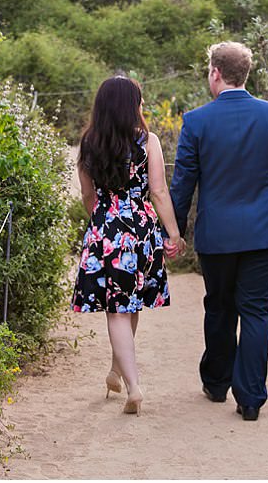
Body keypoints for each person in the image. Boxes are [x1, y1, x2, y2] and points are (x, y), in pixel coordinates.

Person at [170, 41, 268, 421]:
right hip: (265, 233)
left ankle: (216, 382)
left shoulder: (196, 121)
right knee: (257, 311)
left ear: (215, 73)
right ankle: (251, 398)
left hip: (218, 236)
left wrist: (173, 231)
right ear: (245, 74)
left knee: (220, 306)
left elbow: (183, 184)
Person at [72, 75, 181, 416]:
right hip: (141, 227)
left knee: (118, 308)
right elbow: (159, 192)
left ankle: (127, 380)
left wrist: (102, 221)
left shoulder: (88, 143)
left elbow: (87, 195)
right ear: (132, 105)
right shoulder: (148, 141)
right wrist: (173, 234)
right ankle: (125, 378)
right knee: (128, 305)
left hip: (106, 228)